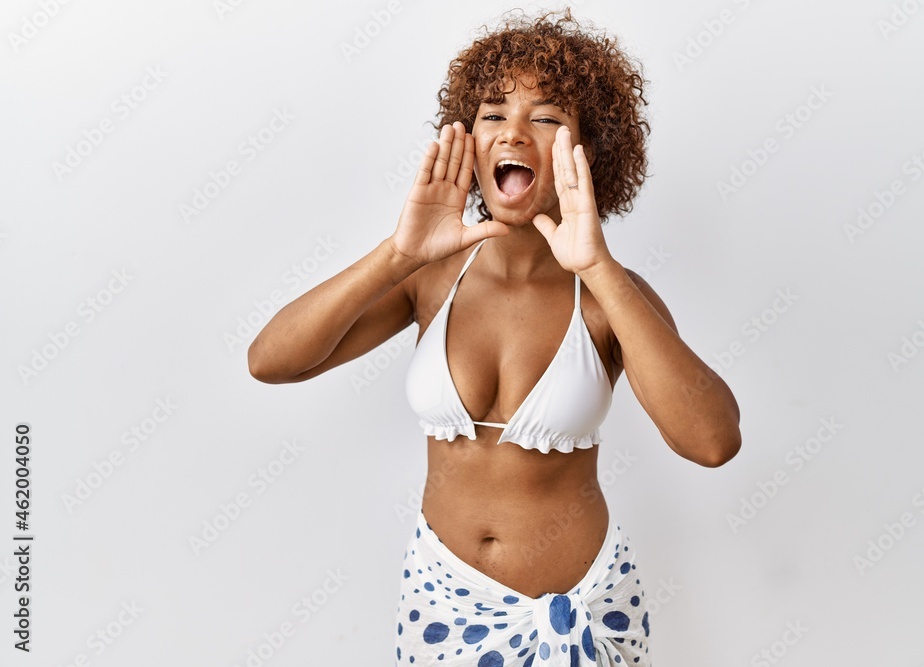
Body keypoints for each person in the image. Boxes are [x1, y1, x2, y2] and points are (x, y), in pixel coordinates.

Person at [248, 7, 741, 665]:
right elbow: (270, 360)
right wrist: (397, 254)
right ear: (467, 139)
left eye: (546, 117)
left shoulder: (608, 297)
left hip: (579, 608)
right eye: (492, 114)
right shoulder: (429, 278)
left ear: (585, 150)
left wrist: (598, 265)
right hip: (442, 604)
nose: (514, 132)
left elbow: (713, 441)